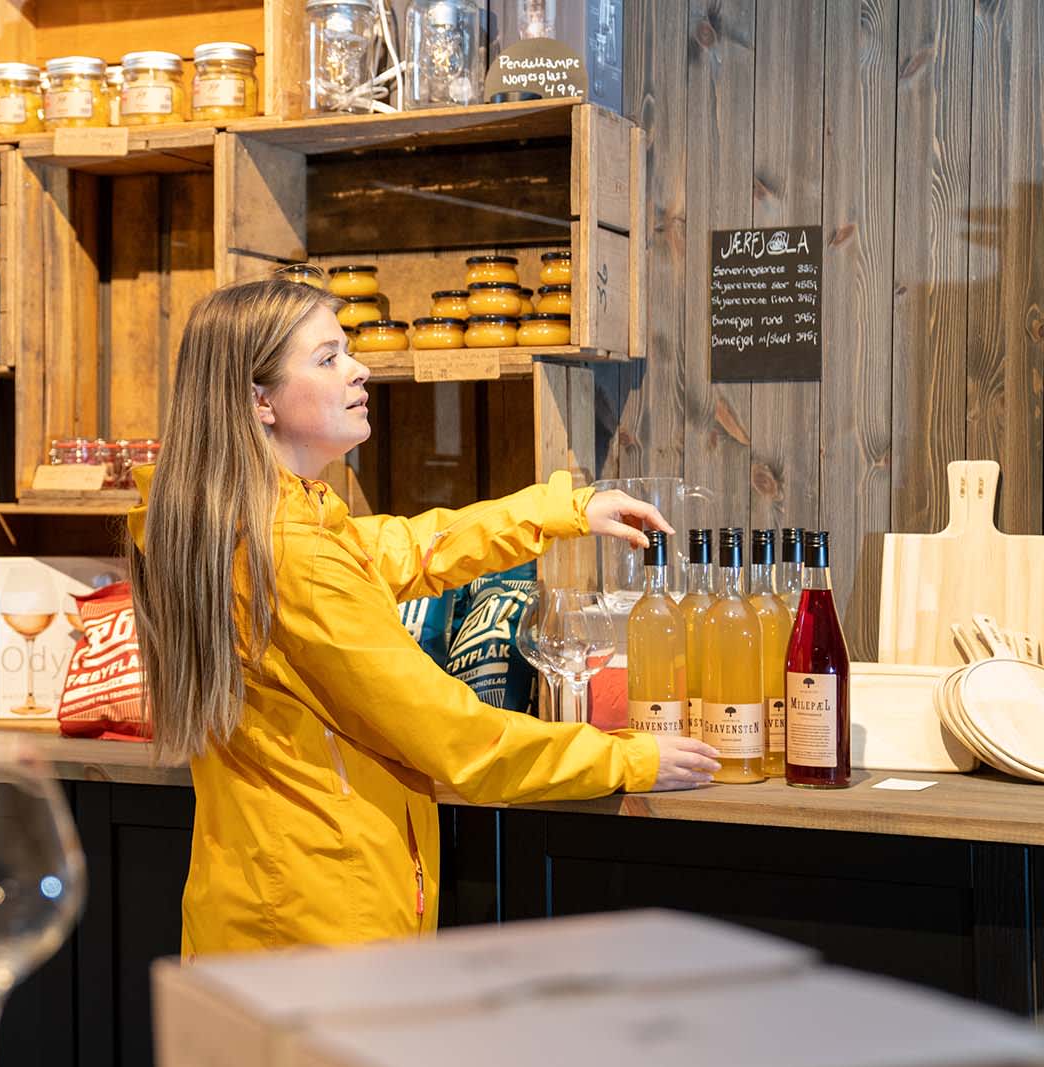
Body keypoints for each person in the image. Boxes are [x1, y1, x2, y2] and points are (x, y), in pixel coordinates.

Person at [126, 278, 720, 957]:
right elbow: (455, 739)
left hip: (258, 901)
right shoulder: (291, 552)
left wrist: (564, 511)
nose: (359, 370)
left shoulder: (238, 524)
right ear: (259, 400)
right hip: (329, 924)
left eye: (348, 352)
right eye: (327, 359)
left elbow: (405, 549)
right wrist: (627, 758)